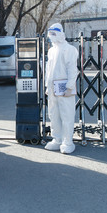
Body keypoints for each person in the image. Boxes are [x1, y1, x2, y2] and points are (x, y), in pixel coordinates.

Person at [44, 23, 79, 154]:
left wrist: (70, 86)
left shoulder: (69, 49)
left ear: (60, 34)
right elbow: (48, 70)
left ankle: (67, 142)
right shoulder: (51, 51)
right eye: (50, 34)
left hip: (65, 89)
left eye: (54, 34)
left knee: (67, 115)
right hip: (53, 89)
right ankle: (57, 139)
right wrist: (48, 86)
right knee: (53, 115)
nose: (52, 37)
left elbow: (72, 69)